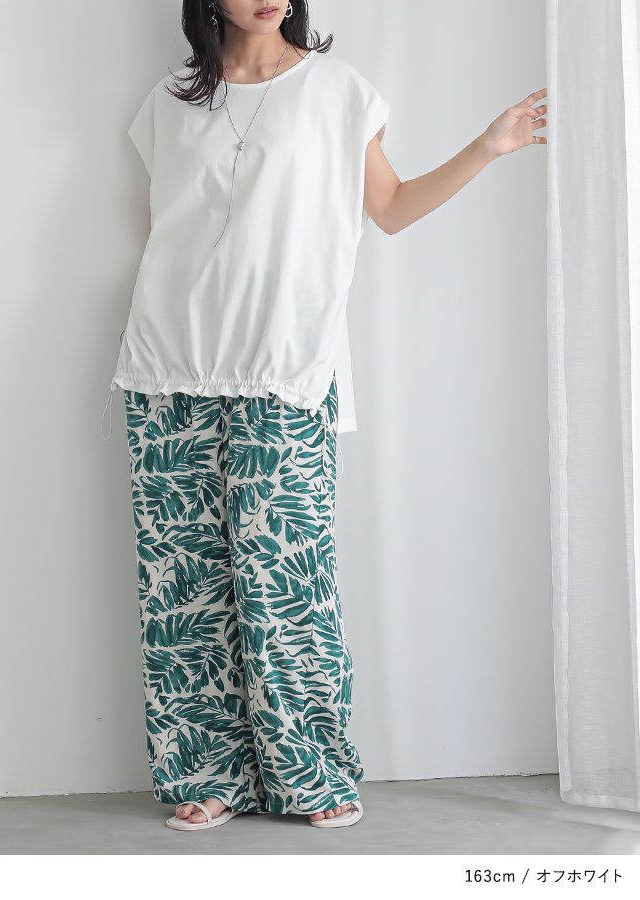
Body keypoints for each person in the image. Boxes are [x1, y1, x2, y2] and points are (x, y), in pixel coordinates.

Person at [102, 0, 547, 831]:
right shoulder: (170, 100)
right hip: (170, 363)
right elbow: (170, 229)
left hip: (286, 366)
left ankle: (309, 771)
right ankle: (207, 773)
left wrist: (488, 147)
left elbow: (392, 207)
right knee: (184, 584)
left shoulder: (337, 89)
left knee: (286, 580)